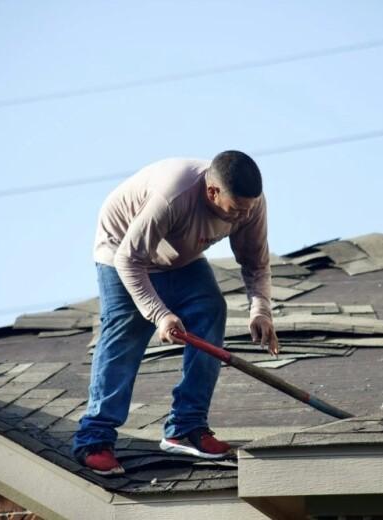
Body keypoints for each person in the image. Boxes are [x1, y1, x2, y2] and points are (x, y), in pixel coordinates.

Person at [71, 150, 279, 475]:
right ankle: (94, 439)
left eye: (248, 208)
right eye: (237, 209)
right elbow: (129, 259)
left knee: (210, 309)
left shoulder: (250, 205)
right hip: (122, 251)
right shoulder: (173, 196)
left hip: (179, 257)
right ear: (213, 192)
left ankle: (186, 427)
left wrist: (261, 310)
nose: (243, 216)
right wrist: (159, 314)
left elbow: (256, 263)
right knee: (125, 332)